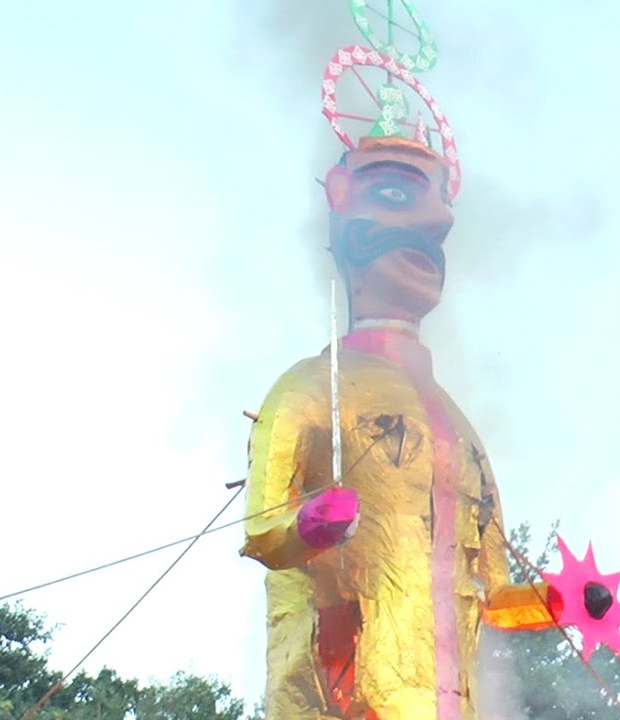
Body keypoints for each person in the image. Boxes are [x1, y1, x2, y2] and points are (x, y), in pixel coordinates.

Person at [240, 135, 553, 720]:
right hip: (347, 695)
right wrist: (311, 524)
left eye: (442, 204)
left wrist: (562, 600)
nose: (439, 222)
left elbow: (496, 595)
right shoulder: (309, 389)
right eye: (395, 192)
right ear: (340, 199)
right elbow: (261, 531)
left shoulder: (459, 431)